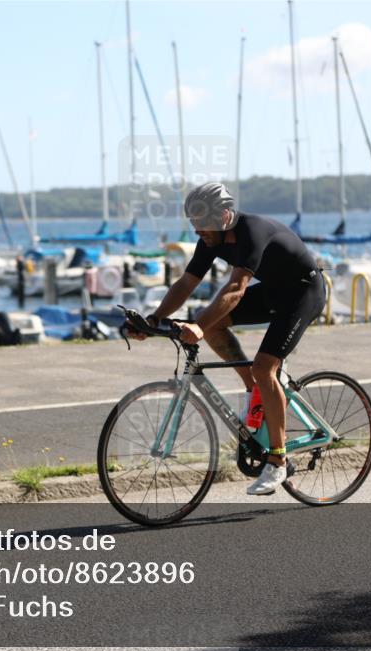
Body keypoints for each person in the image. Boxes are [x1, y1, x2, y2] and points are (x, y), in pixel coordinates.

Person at [129, 182, 325, 495]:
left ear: (224, 217)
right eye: (193, 226)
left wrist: (199, 326)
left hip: (303, 292)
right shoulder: (210, 238)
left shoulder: (252, 231)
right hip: (274, 292)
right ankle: (256, 390)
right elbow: (187, 283)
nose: (198, 233)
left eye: (202, 226)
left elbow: (236, 289)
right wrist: (154, 319)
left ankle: (277, 460)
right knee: (219, 329)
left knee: (265, 367)